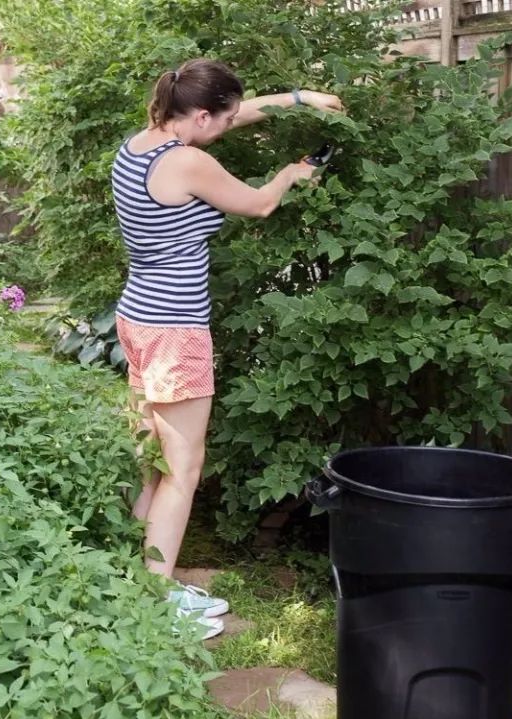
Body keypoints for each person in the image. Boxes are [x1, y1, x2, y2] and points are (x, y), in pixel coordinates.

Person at [111, 58, 343, 639]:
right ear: (203, 115)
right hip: (174, 330)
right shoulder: (190, 160)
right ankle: (157, 601)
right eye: (227, 115)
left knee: (151, 460)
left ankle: (129, 579)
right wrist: (292, 173)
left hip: (138, 318)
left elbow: (232, 116)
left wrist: (300, 97)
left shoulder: (142, 142)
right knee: (183, 470)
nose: (235, 121)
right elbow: (259, 203)